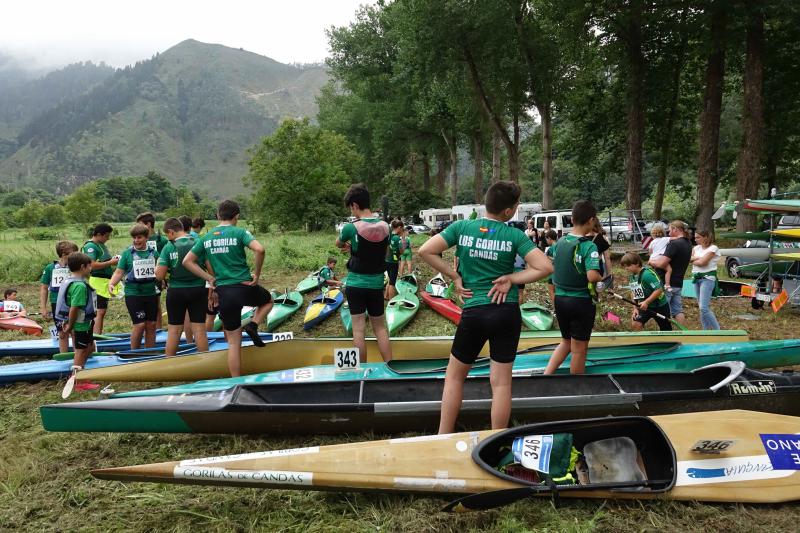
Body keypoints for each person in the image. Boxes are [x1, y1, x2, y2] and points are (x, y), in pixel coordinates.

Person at [419, 181, 552, 434]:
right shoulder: (514, 235)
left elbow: (426, 250)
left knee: (455, 377)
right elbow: (545, 267)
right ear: (509, 211)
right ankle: (497, 437)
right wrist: (511, 278)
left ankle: (443, 435)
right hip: (506, 312)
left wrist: (455, 277)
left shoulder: (462, 227)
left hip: (475, 312)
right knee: (501, 383)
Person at [183, 199, 273, 377]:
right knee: (269, 301)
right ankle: (253, 325)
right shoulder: (240, 232)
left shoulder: (206, 237)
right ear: (237, 216)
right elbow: (260, 250)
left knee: (233, 343)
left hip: (224, 292)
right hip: (244, 287)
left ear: (217, 216)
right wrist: (257, 275)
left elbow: (187, 261)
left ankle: (235, 382)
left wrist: (209, 278)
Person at [543, 200, 603, 375]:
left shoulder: (560, 242)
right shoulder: (588, 245)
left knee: (566, 341)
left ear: (572, 219)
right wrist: (602, 279)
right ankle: (576, 386)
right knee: (579, 349)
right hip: (580, 302)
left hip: (560, 300)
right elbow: (592, 276)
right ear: (591, 220)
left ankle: (546, 375)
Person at [336, 183, 393, 363]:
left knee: (358, 329)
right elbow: (383, 250)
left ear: (354, 205)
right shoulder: (386, 227)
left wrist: (348, 245)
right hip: (376, 284)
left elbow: (338, 243)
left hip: (355, 284)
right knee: (380, 329)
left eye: (351, 209)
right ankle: (390, 366)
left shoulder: (350, 227)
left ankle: (361, 372)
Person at [155, 217, 210, 356]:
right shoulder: (198, 242)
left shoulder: (168, 247)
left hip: (176, 291)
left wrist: (157, 268)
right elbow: (210, 267)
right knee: (199, 329)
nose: (168, 238)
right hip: (198, 289)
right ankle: (205, 362)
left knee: (174, 330)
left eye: (167, 234)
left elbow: (159, 275)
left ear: (171, 232)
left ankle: (169, 362)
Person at [109, 224, 160, 350]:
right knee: (140, 325)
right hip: (133, 293)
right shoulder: (127, 253)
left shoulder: (154, 253)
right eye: (134, 238)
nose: (136, 240)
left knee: (151, 324)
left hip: (150, 293)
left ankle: (150, 352)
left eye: (139, 237)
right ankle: (134, 352)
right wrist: (112, 284)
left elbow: (160, 270)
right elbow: (119, 272)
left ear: (146, 237)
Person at [55, 252, 98, 391]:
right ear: (82, 267)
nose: (91, 268)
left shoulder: (69, 280)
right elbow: (74, 308)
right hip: (80, 325)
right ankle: (79, 381)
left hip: (85, 323)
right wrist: (71, 326)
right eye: (89, 266)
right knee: (80, 351)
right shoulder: (79, 286)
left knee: (89, 348)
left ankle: (81, 374)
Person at [649, 220, 692, 327]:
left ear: (676, 229)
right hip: (678, 282)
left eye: (670, 230)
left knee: (663, 310)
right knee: (677, 310)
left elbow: (661, 263)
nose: (668, 232)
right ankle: (682, 332)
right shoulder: (688, 243)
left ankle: (666, 332)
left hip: (666, 283)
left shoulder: (674, 244)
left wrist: (651, 262)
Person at [39, 241, 78, 352]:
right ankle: (63, 356)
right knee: (62, 332)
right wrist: (43, 307)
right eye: (73, 252)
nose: (76, 255)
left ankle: (78, 356)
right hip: (57, 302)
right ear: (63, 254)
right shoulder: (50, 268)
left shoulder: (76, 266)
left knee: (75, 331)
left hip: (74, 301)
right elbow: (44, 288)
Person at [82, 223, 119, 334]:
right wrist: (111, 262)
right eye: (106, 236)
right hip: (97, 282)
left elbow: (104, 260)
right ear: (98, 234)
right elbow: (92, 264)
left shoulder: (101, 244)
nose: (108, 238)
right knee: (99, 311)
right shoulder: (90, 246)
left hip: (104, 281)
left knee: (102, 311)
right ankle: (95, 337)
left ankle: (98, 334)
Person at [620, 252, 672, 331]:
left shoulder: (647, 275)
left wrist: (647, 302)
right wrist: (635, 308)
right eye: (625, 266)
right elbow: (634, 292)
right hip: (644, 306)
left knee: (666, 329)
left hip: (660, 306)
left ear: (637, 263)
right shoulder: (632, 276)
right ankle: (641, 341)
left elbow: (659, 289)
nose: (626, 268)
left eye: (628, 266)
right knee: (636, 324)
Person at [136, 212, 169, 329]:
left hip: (156, 276)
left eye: (140, 224)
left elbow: (165, 260)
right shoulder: (138, 240)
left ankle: (158, 330)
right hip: (140, 278)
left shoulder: (162, 240)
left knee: (155, 303)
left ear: (148, 224)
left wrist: (164, 278)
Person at [690, 229, 721, 330]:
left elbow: (703, 263)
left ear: (705, 237)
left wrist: (695, 259)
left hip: (707, 279)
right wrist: (698, 259)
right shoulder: (696, 248)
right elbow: (689, 259)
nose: (695, 239)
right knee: (701, 308)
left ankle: (718, 331)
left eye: (698, 237)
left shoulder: (713, 248)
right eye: (695, 237)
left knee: (703, 307)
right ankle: (706, 331)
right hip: (696, 278)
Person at [647, 223, 672, 288]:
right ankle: (667, 285)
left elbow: (650, 252)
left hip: (653, 259)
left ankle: (655, 285)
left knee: (656, 272)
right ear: (663, 232)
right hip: (660, 258)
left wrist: (650, 259)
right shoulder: (665, 239)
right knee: (668, 270)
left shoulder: (652, 242)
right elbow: (675, 238)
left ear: (652, 234)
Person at [384, 219, 404, 300]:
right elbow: (402, 251)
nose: (403, 229)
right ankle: (391, 301)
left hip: (387, 260)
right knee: (392, 282)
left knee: (389, 278)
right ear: (399, 227)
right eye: (402, 228)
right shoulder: (397, 238)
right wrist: (403, 239)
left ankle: (386, 295)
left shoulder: (389, 236)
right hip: (393, 262)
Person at [544, 229, 558, 305]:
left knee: (551, 291)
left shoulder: (555, 246)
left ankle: (556, 309)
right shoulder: (557, 245)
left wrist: (547, 257)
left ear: (549, 238)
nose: (546, 241)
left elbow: (557, 259)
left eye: (546, 239)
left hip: (553, 273)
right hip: (556, 273)